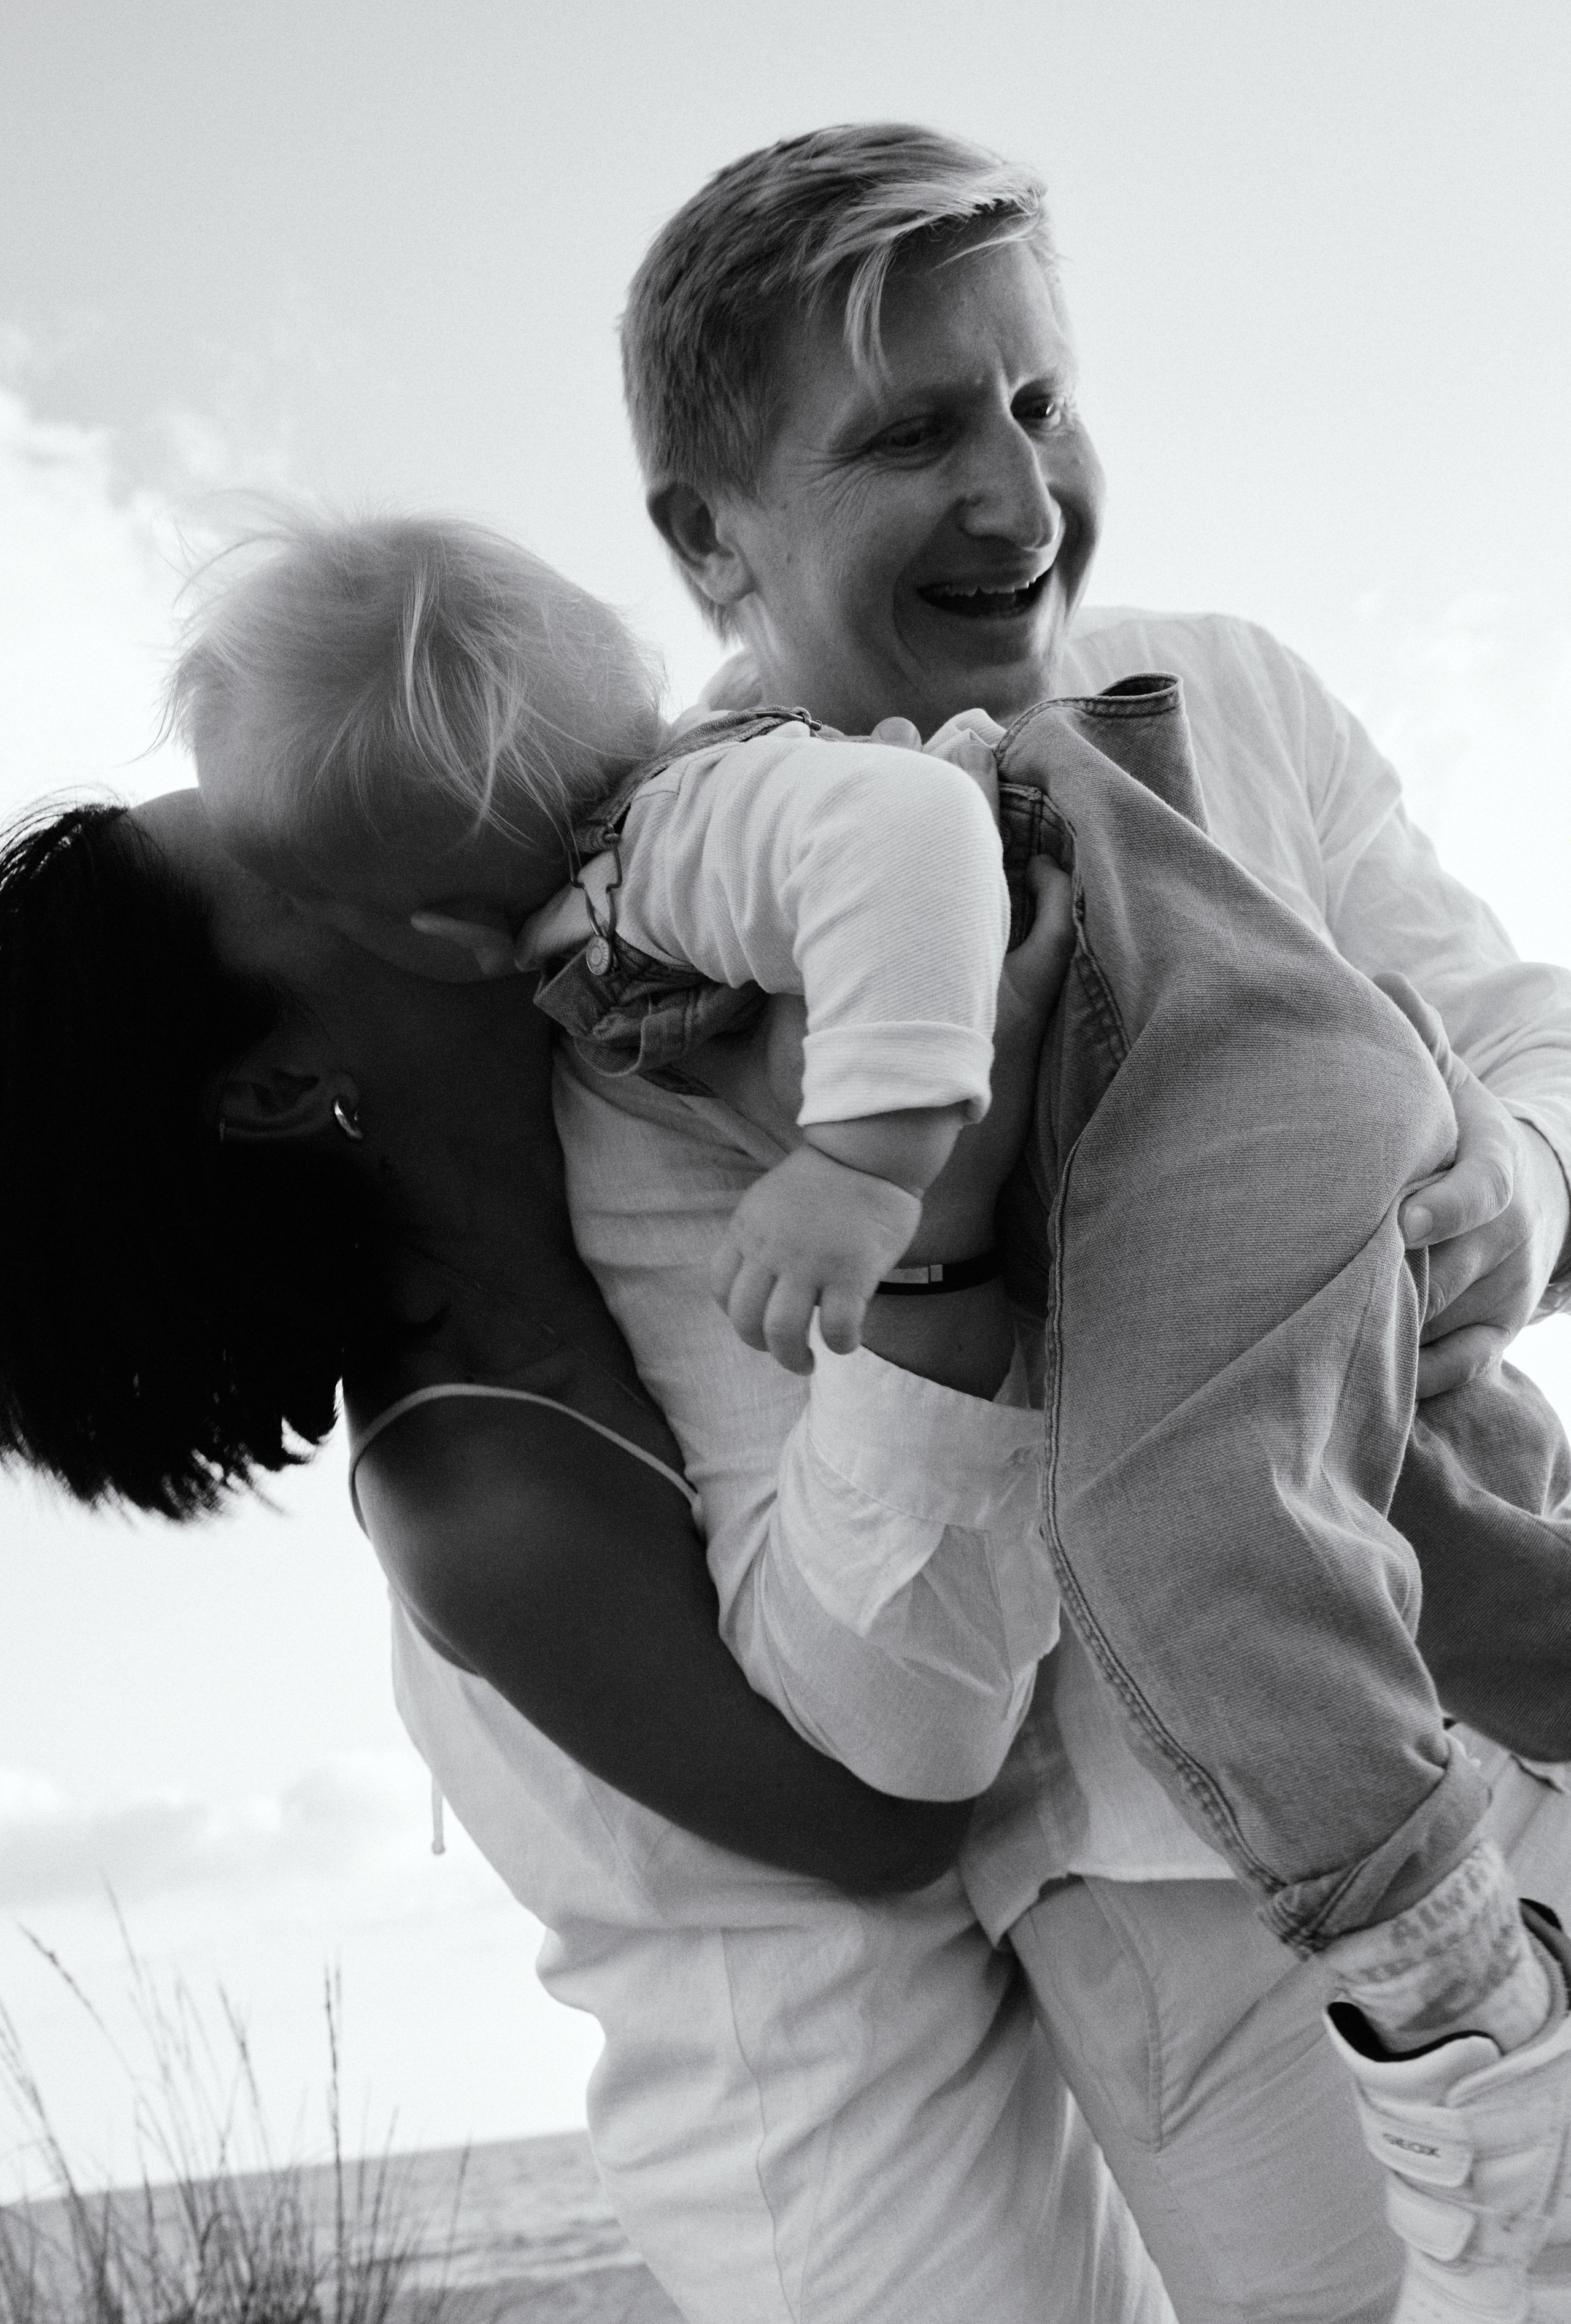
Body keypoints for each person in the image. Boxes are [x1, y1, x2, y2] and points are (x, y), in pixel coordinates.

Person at [513, 120, 1571, 2317]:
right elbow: (881, 1725)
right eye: (911, 433)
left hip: (1535, 1685)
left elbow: (1537, 1056)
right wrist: (948, 1234)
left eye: (1042, 399)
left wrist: (1451, 1205)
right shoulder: (657, 996)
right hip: (1195, 1921)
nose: (1017, 495)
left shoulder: (1237, 690)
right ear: (712, 540)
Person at [0, 793, 1166, 2324]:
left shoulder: (634, 1111)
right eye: (296, 863)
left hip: (1039, 2071)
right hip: (861, 2209)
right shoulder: (471, 1482)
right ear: (284, 1087)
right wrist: (933, 1242)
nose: (385, 824)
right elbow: (875, 1829)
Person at [179, 513, 1016, 1376]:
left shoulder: (663, 841)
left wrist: (863, 1166)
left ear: (449, 932)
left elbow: (914, 817)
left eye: (312, 904)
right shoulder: (652, 880)